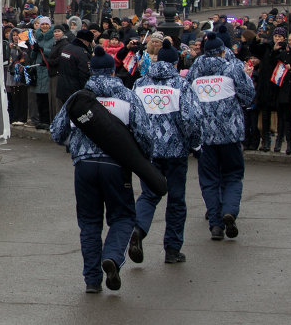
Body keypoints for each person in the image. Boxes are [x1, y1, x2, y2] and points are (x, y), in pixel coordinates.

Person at [50, 43, 153, 293]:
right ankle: (113, 257)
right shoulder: (128, 96)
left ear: (91, 70)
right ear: (113, 71)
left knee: (89, 223)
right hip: (116, 166)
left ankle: (92, 280)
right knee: (123, 216)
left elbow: (56, 132)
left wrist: (76, 143)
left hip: (84, 167)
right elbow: (145, 135)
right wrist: (141, 159)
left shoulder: (78, 98)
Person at [127, 43, 200, 265]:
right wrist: (194, 145)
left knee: (149, 194)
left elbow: (133, 117)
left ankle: (138, 229)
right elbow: (190, 120)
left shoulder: (140, 84)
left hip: (148, 152)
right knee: (176, 200)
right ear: (176, 63)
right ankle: (172, 249)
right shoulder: (181, 84)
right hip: (175, 152)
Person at [189, 33, 255, 241]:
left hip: (205, 137)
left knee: (209, 180)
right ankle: (229, 211)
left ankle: (216, 225)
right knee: (233, 175)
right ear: (221, 51)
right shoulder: (232, 67)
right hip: (230, 135)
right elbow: (248, 95)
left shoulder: (195, 69)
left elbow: (187, 98)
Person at [28, 17, 56, 128]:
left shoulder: (53, 38)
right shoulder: (37, 37)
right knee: (39, 97)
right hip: (38, 70)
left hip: (47, 69)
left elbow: (54, 52)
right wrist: (34, 50)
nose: (44, 26)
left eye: (46, 24)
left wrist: (43, 50)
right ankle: (41, 120)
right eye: (42, 24)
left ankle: (47, 120)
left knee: (46, 97)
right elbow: (32, 56)